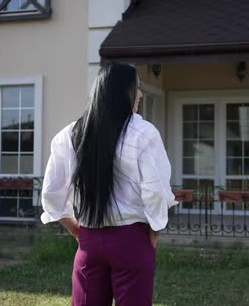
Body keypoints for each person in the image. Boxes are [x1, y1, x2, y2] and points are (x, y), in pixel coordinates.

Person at [40, 62, 178, 306]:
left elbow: (51, 193)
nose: (141, 95)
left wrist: (76, 230)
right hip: (132, 241)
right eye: (137, 88)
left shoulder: (69, 135)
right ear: (122, 92)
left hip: (89, 241)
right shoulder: (143, 133)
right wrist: (154, 232)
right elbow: (155, 191)